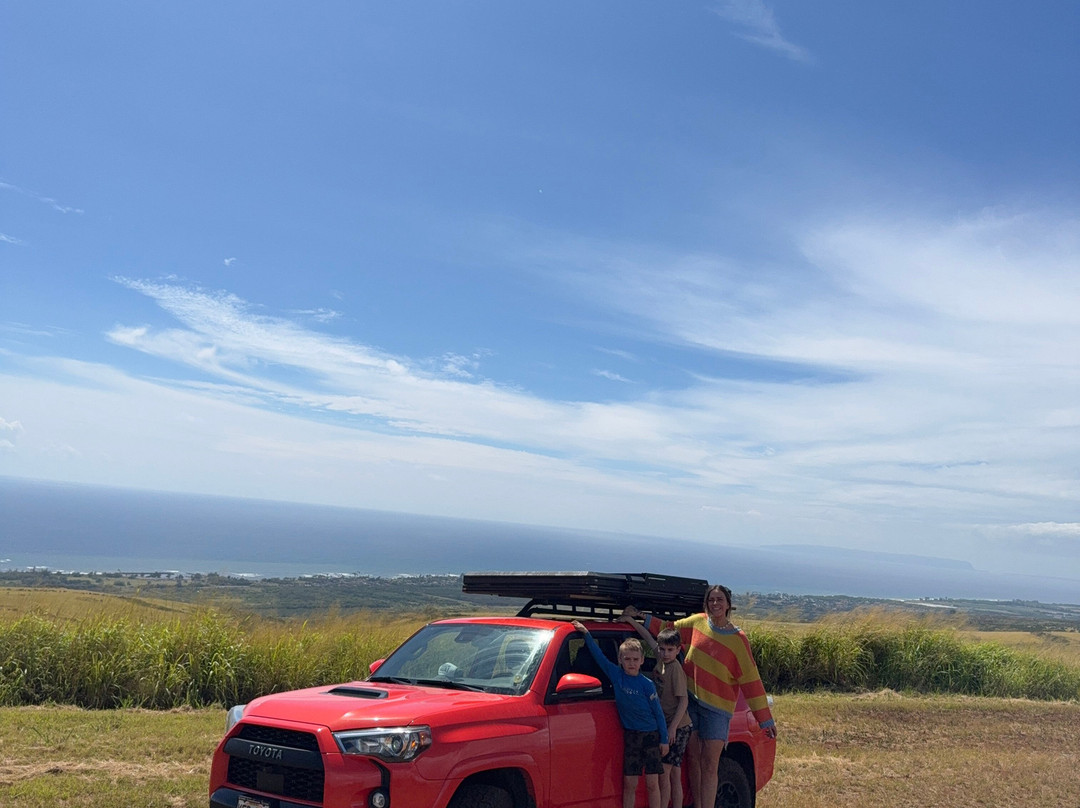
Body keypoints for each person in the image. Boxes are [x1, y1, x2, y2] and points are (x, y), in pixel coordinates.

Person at [623, 585, 776, 808]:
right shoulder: (697, 623)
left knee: (710, 764)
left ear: (728, 604)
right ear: (706, 603)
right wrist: (639, 616)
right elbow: (667, 630)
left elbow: (750, 679)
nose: (715, 603)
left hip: (717, 710)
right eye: (711, 599)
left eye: (720, 599)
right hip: (690, 703)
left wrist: (765, 719)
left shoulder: (738, 639)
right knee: (693, 759)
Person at [571, 620, 670, 808]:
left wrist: (664, 740)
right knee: (630, 783)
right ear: (620, 659)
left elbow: (658, 713)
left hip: (651, 735)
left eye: (635, 659)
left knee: (652, 783)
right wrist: (586, 634)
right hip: (632, 736)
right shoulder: (616, 675)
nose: (631, 663)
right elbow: (599, 656)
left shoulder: (647, 685)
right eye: (627, 659)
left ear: (642, 660)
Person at [622, 617, 693, 808]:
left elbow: (684, 701)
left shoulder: (675, 669)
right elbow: (648, 637)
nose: (665, 653)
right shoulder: (661, 659)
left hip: (677, 726)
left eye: (670, 650)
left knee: (665, 774)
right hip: (667, 723)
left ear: (678, 650)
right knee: (675, 774)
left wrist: (672, 729)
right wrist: (631, 620)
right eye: (662, 649)